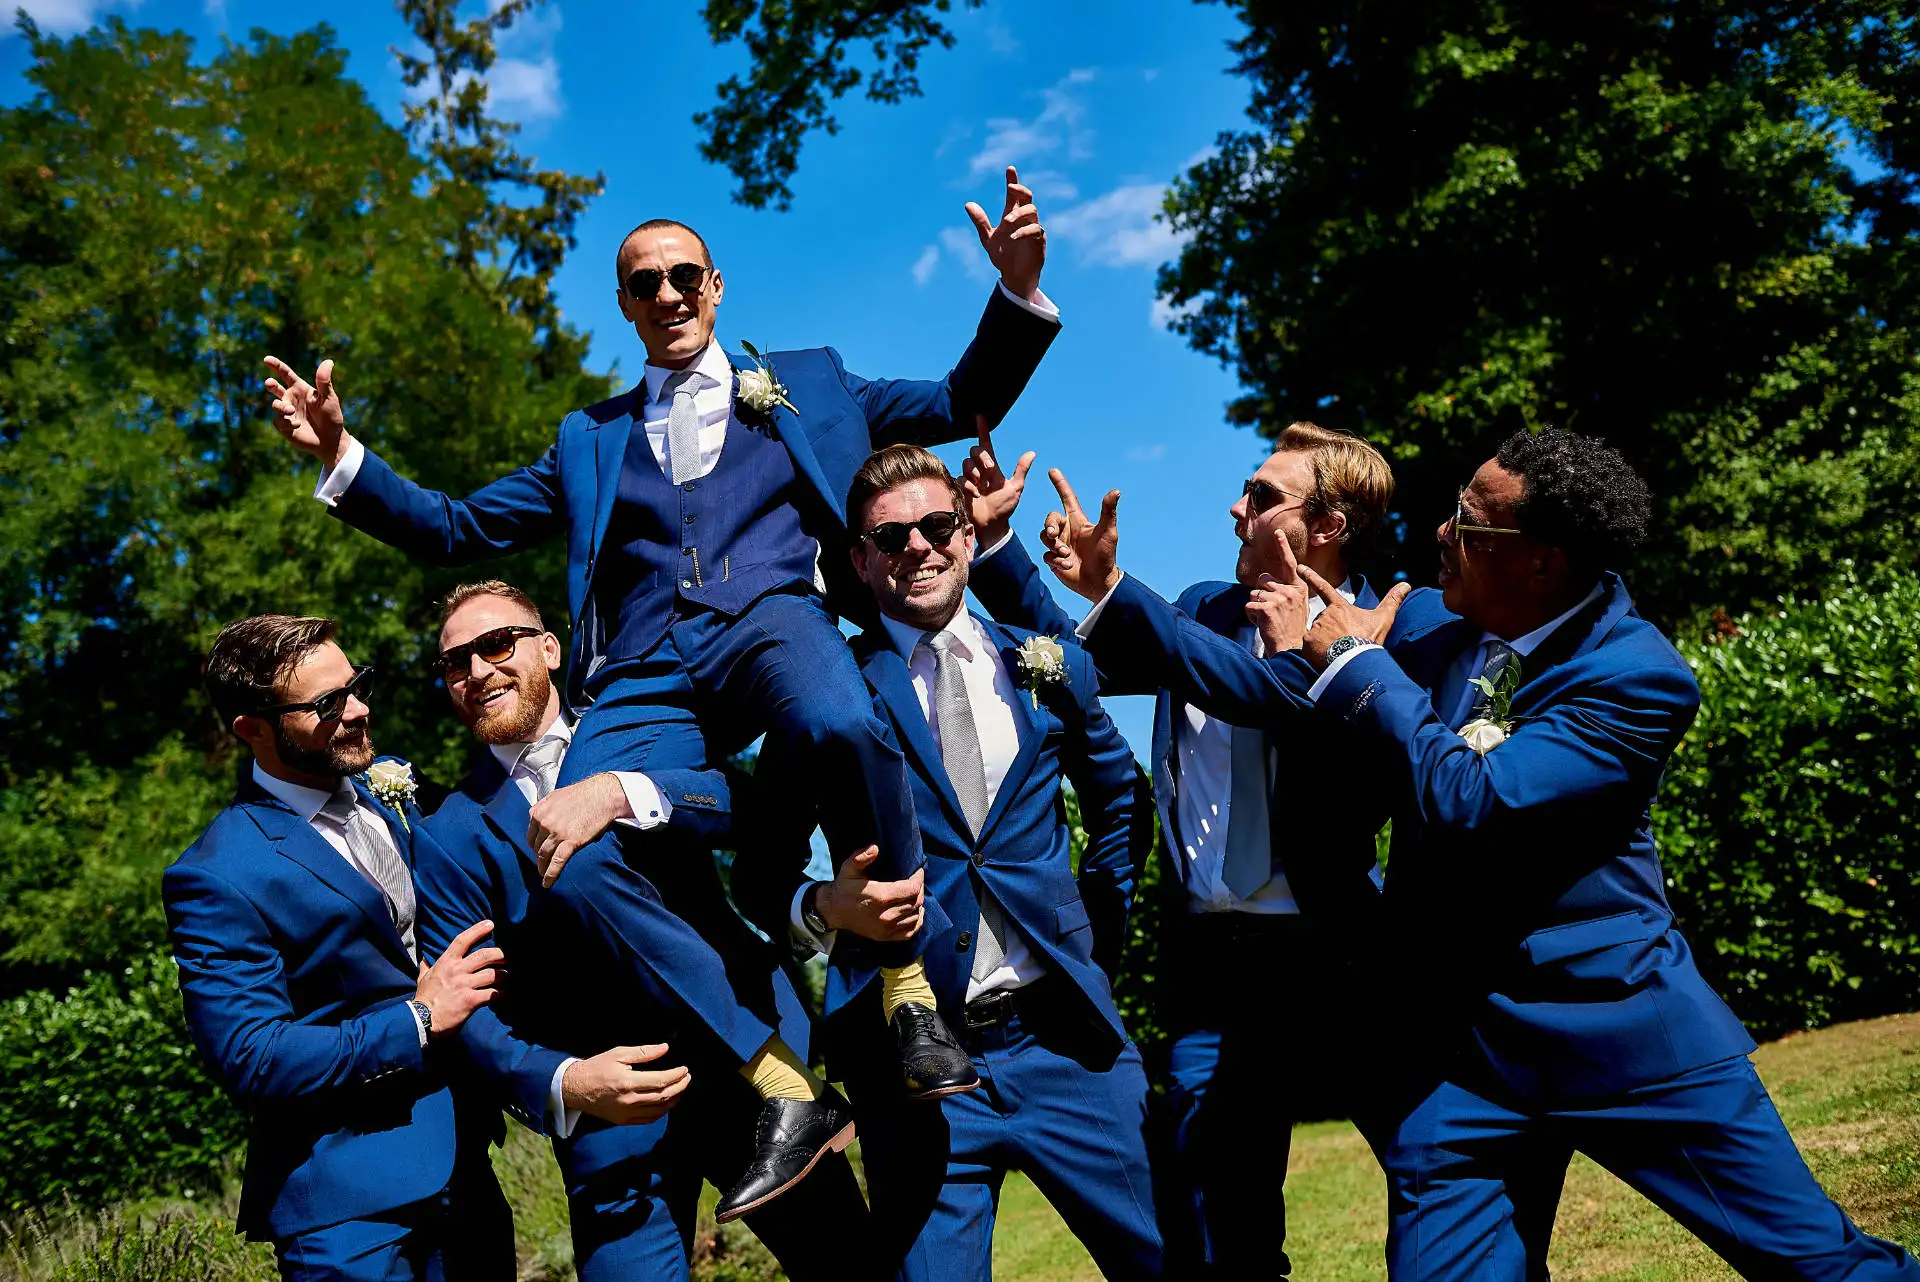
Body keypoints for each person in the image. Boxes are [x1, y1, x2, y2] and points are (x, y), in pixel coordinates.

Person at [1041, 428, 1920, 1281]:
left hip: (1611, 1034)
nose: (1440, 533)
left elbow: (1473, 800)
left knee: (1813, 1261)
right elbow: (1262, 680)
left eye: (1470, 522)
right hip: (1456, 1066)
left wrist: (1352, 662)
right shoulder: (1426, 627)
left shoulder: (1634, 678)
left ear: (1543, 563)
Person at [261, 168, 1058, 1098]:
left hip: (771, 620)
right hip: (639, 667)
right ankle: (776, 1077)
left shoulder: (813, 382)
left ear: (716, 287)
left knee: (841, 720)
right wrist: (341, 457)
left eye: (686, 276)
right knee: (565, 847)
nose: (670, 294)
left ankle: (906, 986)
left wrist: (1015, 291)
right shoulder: (587, 439)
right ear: (626, 306)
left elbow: (966, 394)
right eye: (647, 284)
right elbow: (456, 527)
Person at [961, 422, 1395, 1277]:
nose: (1236, 507)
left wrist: (1120, 590)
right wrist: (1003, 549)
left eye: (1264, 497)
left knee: (1435, 1170)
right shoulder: (1202, 610)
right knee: (1219, 1222)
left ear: (1332, 526)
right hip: (1214, 971)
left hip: (1340, 957)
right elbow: (1070, 662)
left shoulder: (1380, 626)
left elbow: (1264, 691)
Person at [734, 445, 1163, 1281]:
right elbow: (759, 869)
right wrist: (825, 907)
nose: (918, 548)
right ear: (859, 559)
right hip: (909, 1070)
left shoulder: (1050, 665)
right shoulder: (828, 697)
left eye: (937, 526)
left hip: (1067, 1046)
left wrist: (1089, 940)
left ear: (968, 536)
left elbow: (1124, 803)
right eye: (890, 538)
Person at [413, 579, 874, 1274]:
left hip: (760, 1088)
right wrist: (565, 1082)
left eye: (496, 644)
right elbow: (468, 1008)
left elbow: (745, 810)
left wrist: (629, 792)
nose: (478, 671)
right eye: (455, 662)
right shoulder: (446, 835)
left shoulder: (642, 726)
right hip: (610, 1114)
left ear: (548, 647)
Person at [164, 615, 510, 1280]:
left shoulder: (388, 792)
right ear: (252, 729)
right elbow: (252, 1057)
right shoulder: (216, 873)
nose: (358, 710)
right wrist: (419, 1021)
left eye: (358, 686)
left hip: (466, 1171)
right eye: (327, 704)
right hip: (350, 1216)